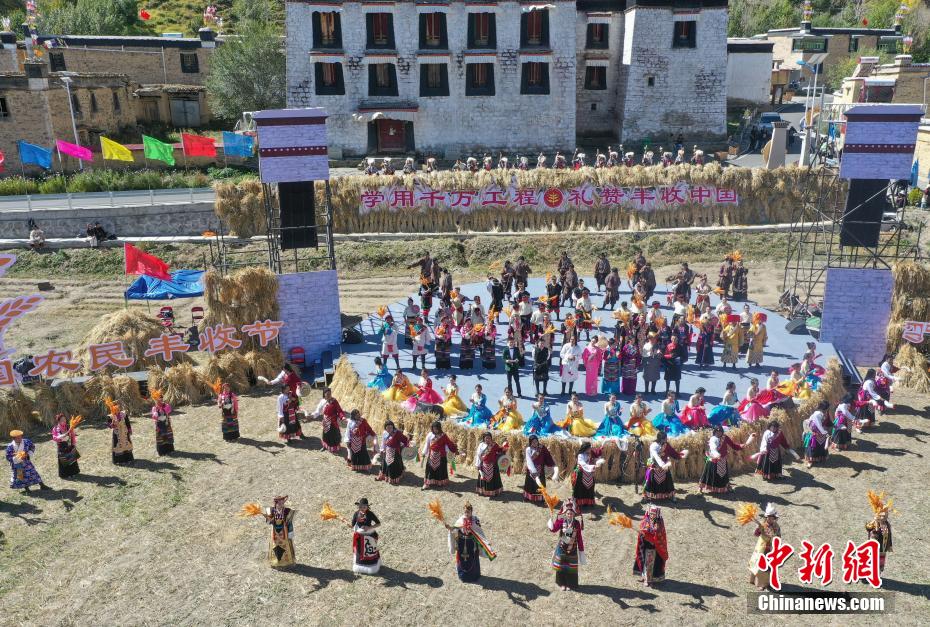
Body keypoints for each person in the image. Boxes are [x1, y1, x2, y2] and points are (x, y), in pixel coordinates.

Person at [445, 502, 496, 582]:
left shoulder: (475, 520)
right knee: (462, 560)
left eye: (468, 512)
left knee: (473, 559)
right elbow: (455, 530)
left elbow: (479, 532)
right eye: (465, 512)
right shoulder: (460, 520)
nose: (466, 513)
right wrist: (450, 528)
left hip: (472, 544)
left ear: (471, 511)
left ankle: (474, 576)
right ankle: (463, 576)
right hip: (462, 544)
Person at [699, 425, 754, 494]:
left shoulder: (725, 438)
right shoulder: (712, 439)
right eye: (717, 432)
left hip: (722, 460)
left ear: (722, 432)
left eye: (720, 432)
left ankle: (724, 487)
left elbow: (734, 446)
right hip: (712, 460)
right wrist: (715, 454)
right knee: (708, 474)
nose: (718, 433)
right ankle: (700, 488)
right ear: (714, 432)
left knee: (723, 475)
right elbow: (712, 449)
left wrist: (747, 443)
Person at [548, 500, 586, 590]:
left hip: (573, 548)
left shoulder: (576, 523)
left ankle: (570, 584)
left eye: (571, 514)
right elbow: (553, 530)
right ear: (565, 514)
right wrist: (551, 522)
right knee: (561, 567)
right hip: (562, 547)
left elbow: (579, 537)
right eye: (568, 513)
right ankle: (562, 584)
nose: (569, 515)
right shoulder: (561, 521)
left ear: (574, 514)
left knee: (571, 568)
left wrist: (581, 549)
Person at [643, 431, 687, 501]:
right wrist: (662, 465)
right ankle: (646, 496)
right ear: (661, 439)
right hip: (655, 467)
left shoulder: (666, 445)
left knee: (669, 483)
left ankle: (671, 495)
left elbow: (673, 452)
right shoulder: (654, 446)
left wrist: (680, 456)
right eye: (665, 438)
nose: (666, 439)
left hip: (664, 467)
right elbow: (656, 456)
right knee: (650, 483)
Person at [633, 505, 669, 587]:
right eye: (651, 513)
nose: (652, 515)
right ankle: (645, 578)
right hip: (645, 545)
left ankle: (650, 580)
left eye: (654, 514)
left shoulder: (659, 523)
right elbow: (642, 529)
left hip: (655, 548)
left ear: (657, 514)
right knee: (644, 562)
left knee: (651, 564)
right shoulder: (646, 520)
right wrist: (642, 533)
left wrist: (651, 537)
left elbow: (659, 534)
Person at [748, 504, 780, 590]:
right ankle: (753, 580)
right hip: (760, 547)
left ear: (774, 518)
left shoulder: (776, 526)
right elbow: (756, 534)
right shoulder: (762, 524)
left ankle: (762, 584)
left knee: (765, 566)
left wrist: (774, 539)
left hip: (770, 549)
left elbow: (778, 537)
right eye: (768, 517)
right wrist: (759, 529)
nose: (770, 519)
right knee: (757, 563)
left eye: (772, 517)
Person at [421, 421, 459, 489]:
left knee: (441, 470)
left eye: (436, 429)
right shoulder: (430, 435)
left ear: (439, 428)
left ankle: (440, 482)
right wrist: (424, 452)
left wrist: (454, 449)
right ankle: (427, 483)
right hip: (431, 455)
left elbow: (449, 443)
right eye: (433, 429)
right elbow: (427, 444)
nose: (435, 430)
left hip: (441, 456)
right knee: (429, 470)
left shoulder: (443, 435)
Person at [263, 495, 296, 569]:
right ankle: (275, 562)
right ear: (276, 503)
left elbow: (289, 522)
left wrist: (290, 532)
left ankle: (287, 563)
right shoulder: (271, 510)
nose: (281, 505)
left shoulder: (287, 511)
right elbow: (268, 522)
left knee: (285, 546)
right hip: (275, 533)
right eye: (279, 503)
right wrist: (269, 519)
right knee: (275, 546)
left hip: (284, 532)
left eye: (282, 503)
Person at [350, 498, 382, 575]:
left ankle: (372, 566)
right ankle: (360, 567)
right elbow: (353, 525)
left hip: (369, 536)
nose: (362, 508)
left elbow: (378, 523)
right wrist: (352, 526)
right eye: (360, 507)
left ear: (367, 507)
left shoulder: (370, 514)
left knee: (369, 552)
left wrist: (369, 527)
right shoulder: (356, 514)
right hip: (359, 536)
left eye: (364, 507)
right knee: (359, 552)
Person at [524, 434, 558, 502]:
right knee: (530, 484)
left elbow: (547, 456)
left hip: (540, 469)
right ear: (530, 442)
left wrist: (552, 464)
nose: (535, 443)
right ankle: (529, 497)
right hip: (531, 470)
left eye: (536, 441)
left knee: (540, 484)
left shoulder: (542, 448)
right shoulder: (528, 449)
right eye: (533, 442)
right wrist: (533, 470)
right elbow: (529, 460)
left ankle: (541, 497)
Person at [865, 492, 893, 574]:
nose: (884, 517)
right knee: (871, 561)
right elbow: (869, 529)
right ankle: (867, 574)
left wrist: (889, 545)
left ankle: (878, 573)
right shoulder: (874, 523)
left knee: (880, 563)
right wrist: (875, 523)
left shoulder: (887, 524)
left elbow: (888, 535)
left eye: (886, 515)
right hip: (874, 548)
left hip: (882, 549)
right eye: (882, 515)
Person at [571, 442, 604, 508]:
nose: (590, 449)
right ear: (586, 448)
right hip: (580, 472)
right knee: (580, 487)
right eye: (589, 448)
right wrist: (593, 466)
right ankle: (580, 502)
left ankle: (587, 502)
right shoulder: (580, 455)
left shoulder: (589, 453)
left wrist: (601, 448)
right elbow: (583, 464)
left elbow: (597, 453)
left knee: (591, 485)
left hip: (588, 471)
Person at [475, 432, 506, 497]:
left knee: (494, 479)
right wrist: (477, 465)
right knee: (483, 478)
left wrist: (504, 447)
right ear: (484, 438)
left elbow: (499, 450)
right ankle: (484, 491)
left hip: (493, 465)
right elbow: (478, 455)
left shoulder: (494, 445)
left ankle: (494, 491)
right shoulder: (481, 445)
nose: (487, 439)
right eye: (486, 438)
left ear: (491, 438)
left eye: (489, 438)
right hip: (483, 465)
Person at [51, 413, 80, 478]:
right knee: (65, 460)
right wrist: (62, 438)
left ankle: (73, 472)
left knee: (72, 459)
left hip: (69, 445)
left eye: (64, 419)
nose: (64, 421)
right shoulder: (55, 428)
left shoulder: (69, 426)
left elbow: (72, 435)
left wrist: (73, 443)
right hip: (62, 447)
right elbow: (55, 437)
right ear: (58, 421)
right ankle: (67, 474)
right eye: (62, 420)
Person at [105, 399, 134, 466]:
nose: (117, 410)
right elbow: (109, 425)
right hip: (117, 434)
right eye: (115, 409)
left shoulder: (123, 414)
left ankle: (128, 459)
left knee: (126, 444)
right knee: (118, 446)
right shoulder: (111, 416)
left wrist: (129, 430)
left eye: (118, 408)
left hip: (124, 432)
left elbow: (127, 423)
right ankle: (120, 460)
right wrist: (112, 424)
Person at [315, 387, 344, 453]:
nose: (329, 395)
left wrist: (342, 417)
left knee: (333, 436)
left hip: (333, 422)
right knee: (325, 435)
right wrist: (312, 415)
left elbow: (339, 410)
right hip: (325, 421)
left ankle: (333, 449)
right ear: (324, 394)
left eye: (330, 394)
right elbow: (318, 411)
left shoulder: (334, 401)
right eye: (327, 394)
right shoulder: (322, 402)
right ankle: (325, 446)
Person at [803, 401, 830, 468]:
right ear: (824, 408)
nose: (828, 409)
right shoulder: (817, 414)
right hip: (814, 432)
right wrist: (825, 432)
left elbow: (824, 423)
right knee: (812, 447)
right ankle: (810, 461)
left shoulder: (823, 413)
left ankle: (818, 458)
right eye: (827, 408)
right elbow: (818, 425)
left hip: (820, 431)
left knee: (820, 446)